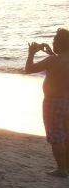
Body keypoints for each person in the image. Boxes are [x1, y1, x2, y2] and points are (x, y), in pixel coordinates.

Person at [25, 28, 69, 177]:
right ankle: (67, 166)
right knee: (67, 134)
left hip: (53, 102)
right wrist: (51, 53)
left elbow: (29, 69)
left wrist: (31, 53)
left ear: (58, 44)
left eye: (54, 41)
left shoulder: (53, 60)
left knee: (56, 136)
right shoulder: (58, 58)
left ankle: (61, 169)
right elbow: (61, 64)